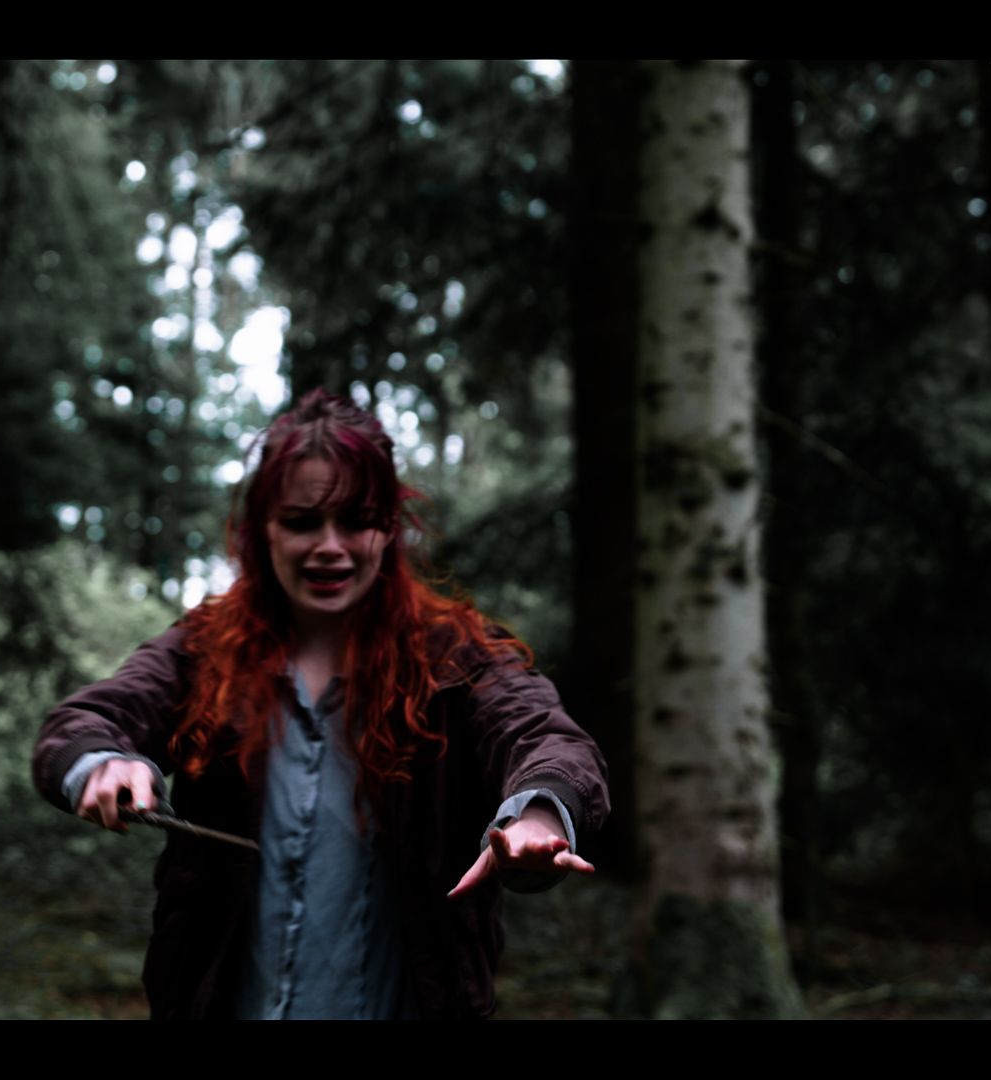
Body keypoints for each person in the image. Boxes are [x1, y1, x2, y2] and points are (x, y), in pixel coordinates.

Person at [31, 389, 609, 1019]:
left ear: (389, 528)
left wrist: (539, 814)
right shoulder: (206, 648)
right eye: (303, 522)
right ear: (264, 530)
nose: (329, 545)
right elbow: (86, 722)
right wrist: (104, 762)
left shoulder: (457, 656)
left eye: (356, 520)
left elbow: (543, 736)